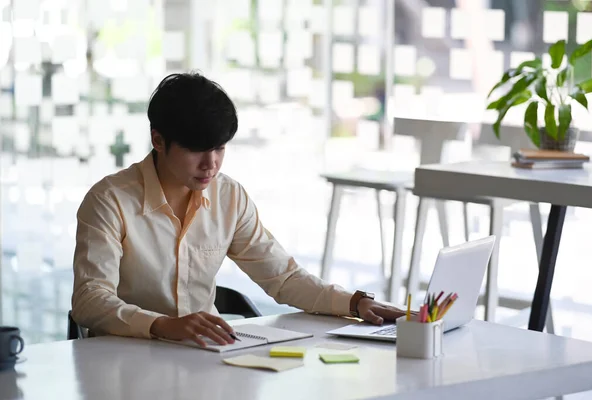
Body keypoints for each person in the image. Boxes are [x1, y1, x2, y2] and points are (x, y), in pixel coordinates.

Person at [71, 72, 404, 347]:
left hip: (204, 358)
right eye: (196, 150)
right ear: (158, 141)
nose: (210, 164)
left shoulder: (228, 196)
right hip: (123, 360)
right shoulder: (109, 200)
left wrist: (355, 304)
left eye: (219, 148)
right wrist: (161, 325)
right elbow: (89, 299)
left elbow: (283, 278)